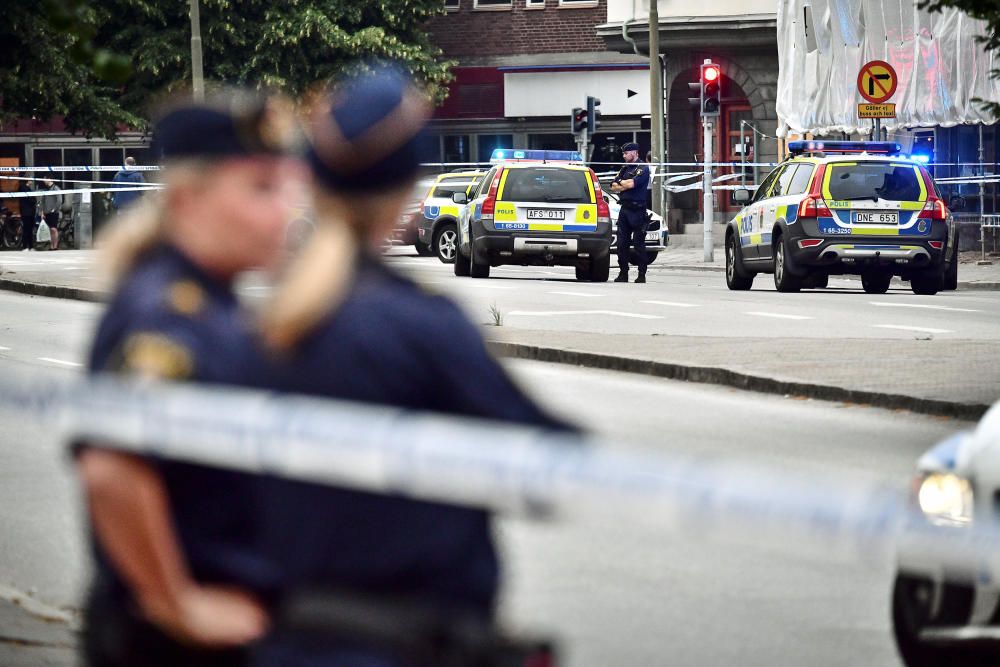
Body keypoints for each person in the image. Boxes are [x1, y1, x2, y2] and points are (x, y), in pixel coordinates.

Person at [251, 64, 572, 665]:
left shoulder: (271, 321)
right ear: (405, 193)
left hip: (284, 638)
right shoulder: (420, 325)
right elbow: (549, 456)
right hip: (401, 641)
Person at [75, 91, 299, 667]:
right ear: (188, 197)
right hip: (173, 647)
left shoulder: (211, 301)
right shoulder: (166, 314)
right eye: (261, 188)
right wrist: (174, 604)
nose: (285, 210)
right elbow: (112, 468)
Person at [610, 142, 651, 283]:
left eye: (626, 153)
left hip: (638, 210)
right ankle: (623, 273)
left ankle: (641, 275)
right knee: (622, 244)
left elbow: (631, 184)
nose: (624, 155)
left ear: (634, 152)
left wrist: (622, 184)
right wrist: (623, 183)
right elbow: (613, 186)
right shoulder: (624, 168)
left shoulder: (643, 168)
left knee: (639, 244)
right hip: (625, 209)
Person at [17, 174, 38, 251]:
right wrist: (34, 200)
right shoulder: (23, 188)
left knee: (30, 229)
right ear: (27, 180)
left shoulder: (28, 188)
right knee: (26, 229)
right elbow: (30, 199)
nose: (31, 180)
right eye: (30, 179)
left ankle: (31, 246)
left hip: (30, 212)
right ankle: (25, 246)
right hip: (26, 212)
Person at [40, 178, 62, 250]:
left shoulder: (56, 188)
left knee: (53, 229)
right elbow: (42, 201)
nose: (43, 181)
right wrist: (42, 212)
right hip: (46, 213)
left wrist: (54, 209)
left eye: (45, 179)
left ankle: (55, 246)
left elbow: (59, 200)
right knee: (49, 229)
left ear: (49, 179)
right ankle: (51, 246)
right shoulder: (46, 190)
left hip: (53, 213)